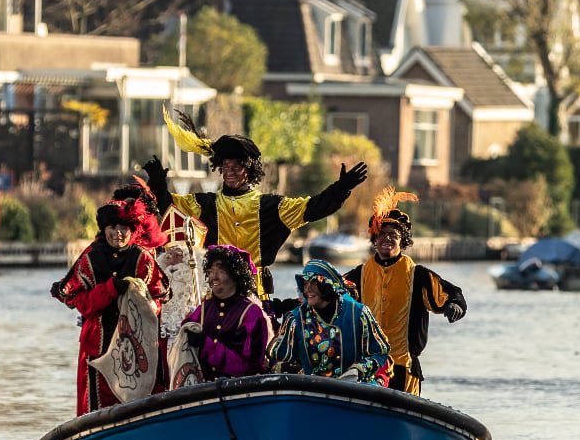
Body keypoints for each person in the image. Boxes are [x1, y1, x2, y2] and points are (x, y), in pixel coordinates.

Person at [142, 108, 368, 297]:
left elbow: (315, 207)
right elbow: (167, 206)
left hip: (254, 292)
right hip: (213, 290)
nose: (229, 172)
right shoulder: (204, 204)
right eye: (226, 167)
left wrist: (341, 188)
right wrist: (158, 183)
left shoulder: (272, 207)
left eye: (236, 167)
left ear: (249, 171)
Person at [343, 189, 467, 395]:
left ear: (403, 241)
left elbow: (452, 293)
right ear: (374, 239)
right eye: (382, 234)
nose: (387, 239)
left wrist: (454, 305)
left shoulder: (417, 275)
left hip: (403, 368)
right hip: (366, 366)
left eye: (394, 235)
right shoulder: (359, 275)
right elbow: (328, 295)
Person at [53, 199, 167, 415]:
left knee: (139, 402)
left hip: (138, 344)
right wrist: (110, 289)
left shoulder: (143, 258)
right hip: (97, 345)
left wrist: (141, 301)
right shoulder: (91, 258)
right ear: (104, 229)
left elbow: (159, 298)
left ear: (131, 229)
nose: (118, 233)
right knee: (96, 407)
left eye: (123, 227)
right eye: (112, 227)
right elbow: (78, 301)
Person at [266, 259, 391, 384]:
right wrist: (292, 369)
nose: (308, 289)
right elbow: (277, 358)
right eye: (305, 283)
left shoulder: (358, 313)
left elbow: (380, 352)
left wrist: (359, 370)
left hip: (355, 390)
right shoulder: (295, 319)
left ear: (327, 286)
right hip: (311, 392)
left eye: (313, 283)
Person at [177, 244, 273, 382]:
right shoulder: (203, 309)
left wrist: (206, 344)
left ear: (235, 273)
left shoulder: (251, 313)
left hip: (240, 391)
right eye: (210, 271)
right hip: (203, 390)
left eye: (220, 270)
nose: (213, 277)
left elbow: (247, 367)